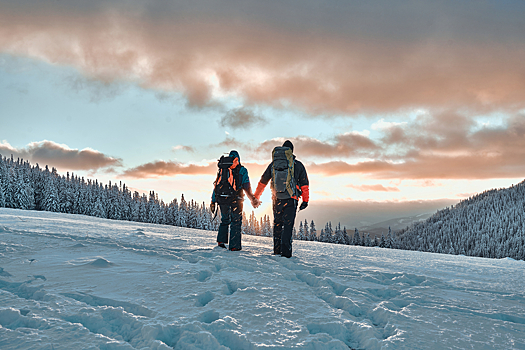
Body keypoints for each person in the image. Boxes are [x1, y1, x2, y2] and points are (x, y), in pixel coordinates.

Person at [253, 140, 309, 258]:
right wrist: (305, 200)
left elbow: (263, 181)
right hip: (291, 199)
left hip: (277, 199)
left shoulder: (273, 165)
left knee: (278, 224)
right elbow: (304, 184)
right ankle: (286, 254)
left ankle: (277, 251)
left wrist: (256, 196)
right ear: (291, 151)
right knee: (287, 226)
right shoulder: (297, 165)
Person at [211, 150, 260, 251]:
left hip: (222, 198)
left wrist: (213, 200)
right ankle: (234, 246)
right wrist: (253, 199)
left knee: (224, 220)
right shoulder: (242, 170)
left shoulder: (223, 169)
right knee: (236, 222)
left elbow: (216, 185)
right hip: (236, 199)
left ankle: (221, 242)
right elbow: (247, 187)